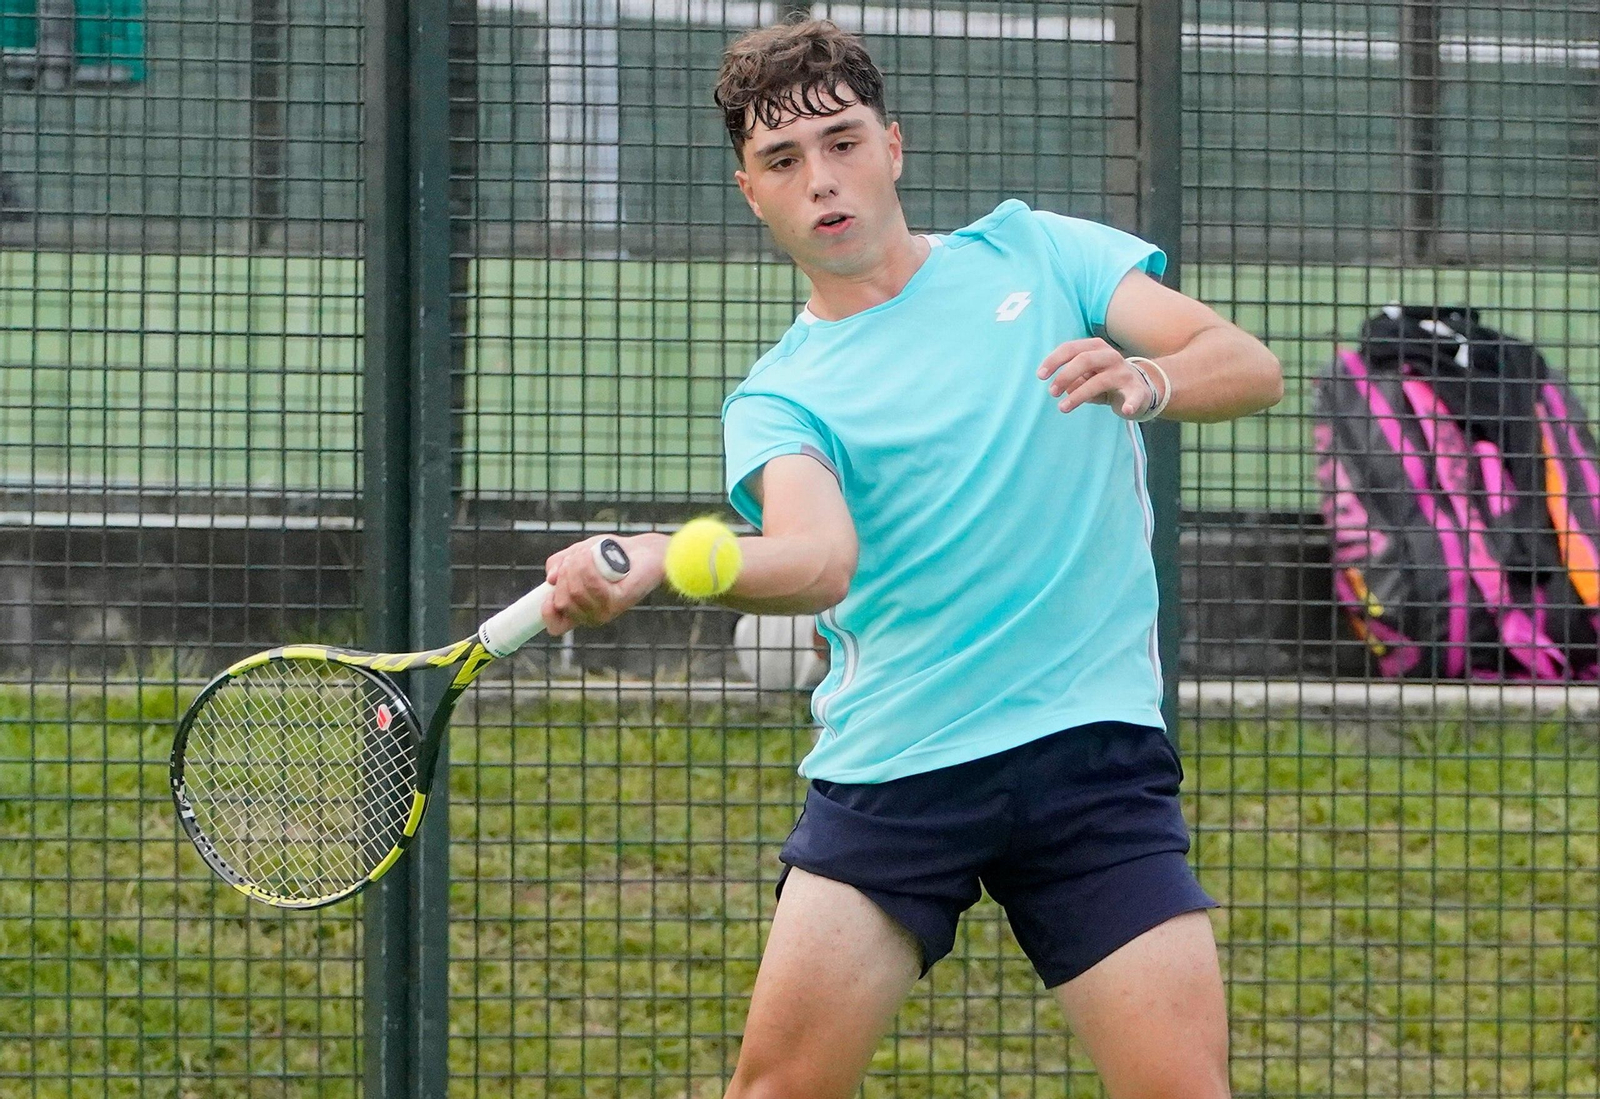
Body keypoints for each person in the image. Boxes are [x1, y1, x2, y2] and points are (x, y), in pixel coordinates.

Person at [540, 18, 1282, 1099]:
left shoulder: (1042, 252)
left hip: (1088, 755)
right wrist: (661, 555)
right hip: (898, 770)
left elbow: (1245, 363)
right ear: (752, 193)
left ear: (894, 145)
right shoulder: (783, 396)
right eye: (784, 162)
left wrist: (1145, 378)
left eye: (841, 143)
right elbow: (816, 559)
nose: (822, 181)